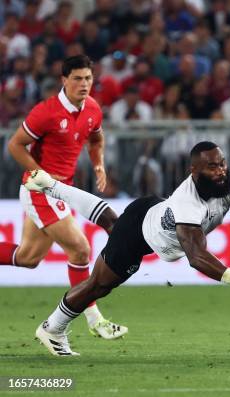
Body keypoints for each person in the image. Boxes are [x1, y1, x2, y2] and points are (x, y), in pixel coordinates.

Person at [24, 142, 230, 356]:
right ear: (194, 171)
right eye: (212, 167)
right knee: (99, 285)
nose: (221, 171)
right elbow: (196, 256)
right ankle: (52, 328)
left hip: (153, 208)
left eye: (222, 164)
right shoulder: (187, 202)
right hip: (138, 235)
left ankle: (51, 185)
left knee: (111, 222)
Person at [1, 55, 126, 339]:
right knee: (80, 250)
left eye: (88, 79)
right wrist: (39, 173)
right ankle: (95, 321)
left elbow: (96, 138)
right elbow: (15, 145)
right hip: (40, 190)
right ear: (64, 80)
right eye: (78, 79)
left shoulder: (93, 108)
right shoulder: (46, 112)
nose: (84, 84)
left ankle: (88, 320)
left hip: (62, 191)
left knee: (29, 257)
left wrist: (98, 164)